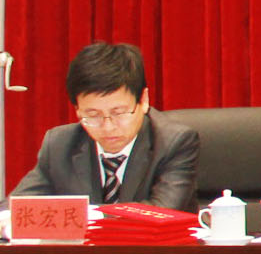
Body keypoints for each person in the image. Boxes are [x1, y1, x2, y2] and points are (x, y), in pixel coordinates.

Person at [11, 41, 200, 210]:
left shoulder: (173, 142)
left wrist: (85, 216)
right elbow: (14, 208)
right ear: (77, 110)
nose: (108, 127)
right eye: (93, 115)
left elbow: (162, 211)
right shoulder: (60, 144)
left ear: (143, 101)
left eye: (119, 113)